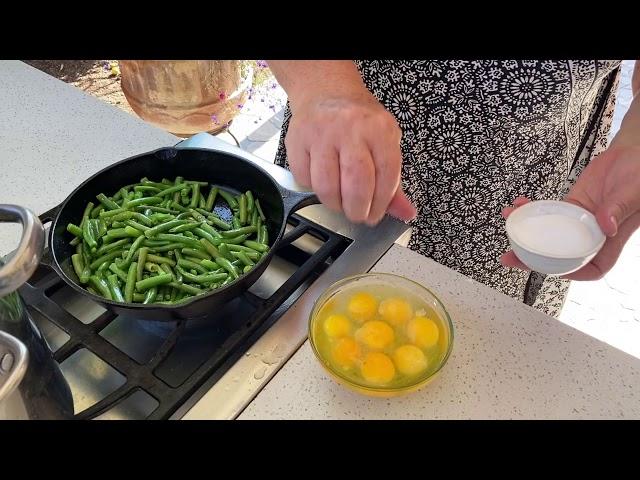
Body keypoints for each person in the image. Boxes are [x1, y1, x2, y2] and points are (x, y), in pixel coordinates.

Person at [267, 60, 640, 317]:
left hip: (513, 175)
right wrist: (322, 87)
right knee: (310, 312)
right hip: (346, 140)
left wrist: (635, 143)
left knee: (467, 337)